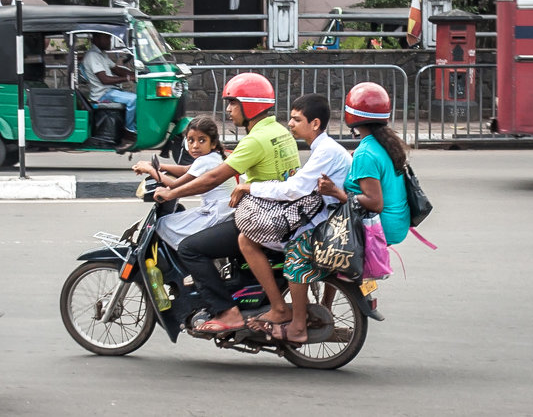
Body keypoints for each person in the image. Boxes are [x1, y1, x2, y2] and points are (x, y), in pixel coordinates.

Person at [152, 72, 300, 334]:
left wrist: (172, 194)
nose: (229, 110)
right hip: (281, 212)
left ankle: (227, 312)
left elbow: (212, 178)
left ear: (249, 105)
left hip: (262, 217)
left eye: (233, 104)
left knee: (190, 248)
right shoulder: (279, 131)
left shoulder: (254, 140)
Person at [230, 92, 352, 344]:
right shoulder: (326, 148)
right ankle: (315, 310)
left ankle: (288, 317)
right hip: (328, 216)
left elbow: (294, 189)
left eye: (296, 119)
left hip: (322, 223)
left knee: (247, 240)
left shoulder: (326, 151)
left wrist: (249, 188)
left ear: (315, 123)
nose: (291, 124)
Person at [318, 82, 410, 246]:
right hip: (398, 222)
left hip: (380, 227)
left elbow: (374, 202)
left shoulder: (366, 153)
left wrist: (335, 192)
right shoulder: (386, 143)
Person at [131, 116, 235, 250]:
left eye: (202, 140)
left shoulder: (206, 161)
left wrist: (150, 170)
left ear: (213, 143)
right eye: (191, 140)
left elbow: (174, 185)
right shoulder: (213, 156)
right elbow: (186, 170)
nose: (195, 145)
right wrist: (156, 166)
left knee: (164, 224)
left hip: (216, 214)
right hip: (222, 211)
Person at [82, 32, 137, 140]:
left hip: (110, 91)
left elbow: (116, 69)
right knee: (133, 99)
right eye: (107, 37)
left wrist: (134, 74)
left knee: (136, 96)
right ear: (96, 38)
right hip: (103, 94)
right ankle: (129, 131)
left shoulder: (101, 54)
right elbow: (104, 80)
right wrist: (128, 78)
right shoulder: (92, 55)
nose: (110, 41)